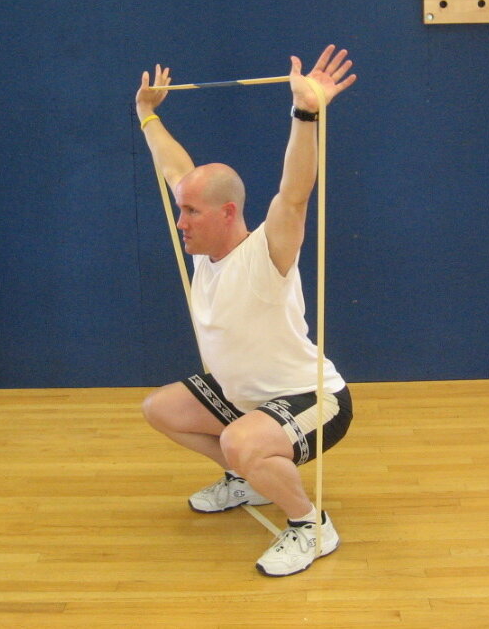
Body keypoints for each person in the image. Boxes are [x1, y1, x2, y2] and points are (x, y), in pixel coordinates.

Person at [135, 44, 356, 577]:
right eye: (181, 209)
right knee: (159, 409)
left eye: (190, 211)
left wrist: (305, 113)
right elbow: (176, 168)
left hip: (313, 399)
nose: (180, 220)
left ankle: (310, 525)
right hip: (247, 397)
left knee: (239, 441)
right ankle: (246, 480)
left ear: (227, 212)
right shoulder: (205, 250)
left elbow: (296, 194)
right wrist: (147, 113)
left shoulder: (267, 251)